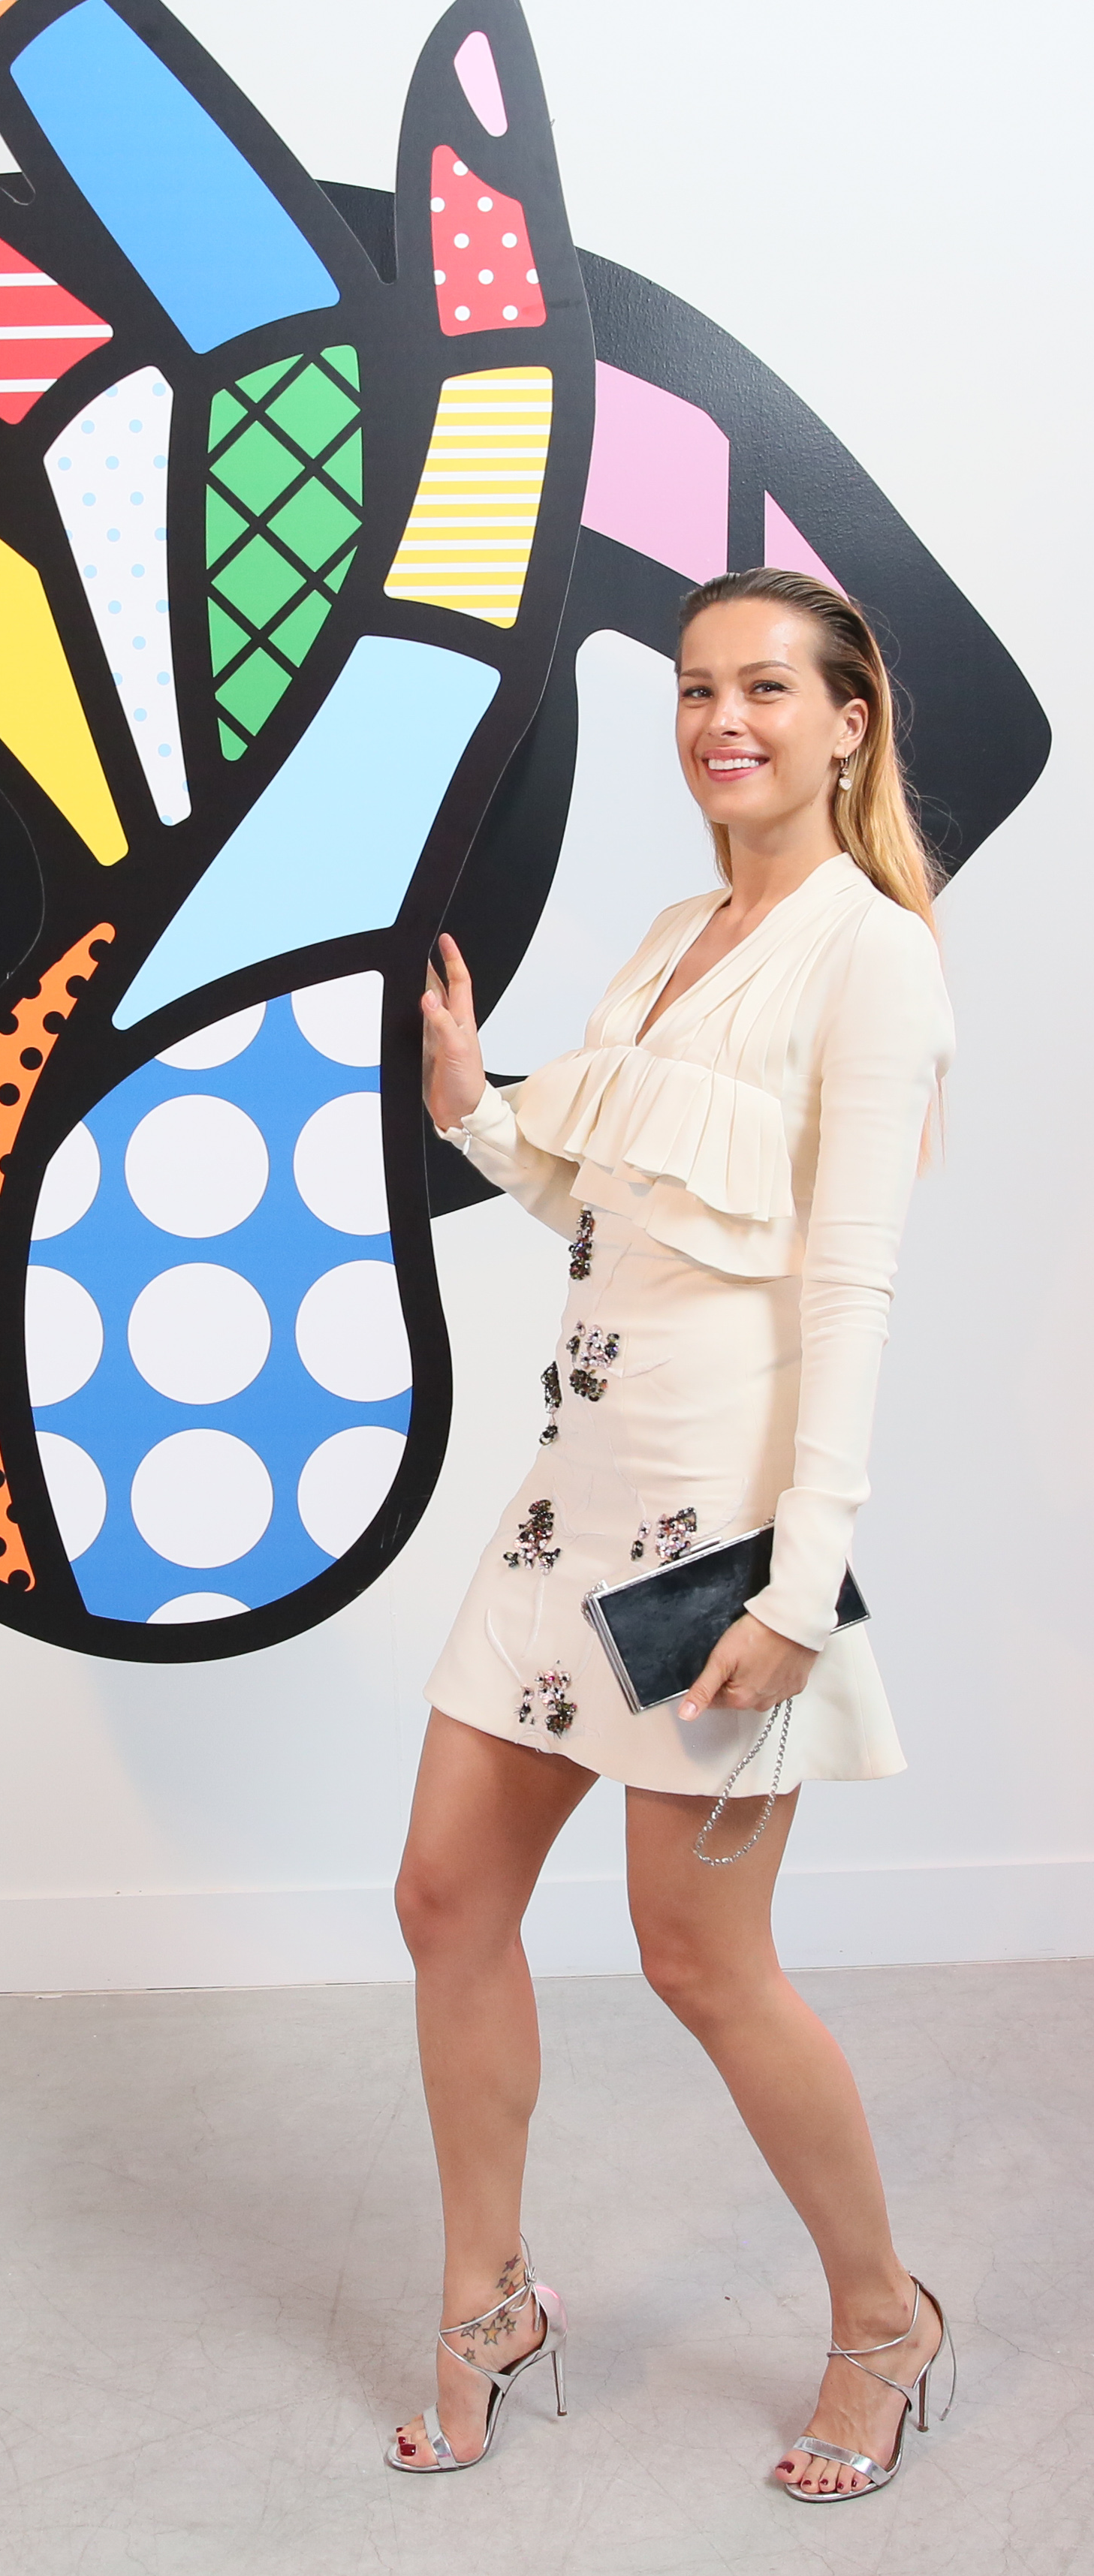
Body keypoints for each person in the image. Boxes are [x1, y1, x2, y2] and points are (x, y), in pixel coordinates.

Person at [390, 568, 956, 2501]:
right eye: (701, 689)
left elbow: (848, 1288)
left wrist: (800, 1588)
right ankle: (486, 2302)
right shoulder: (668, 937)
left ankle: (882, 2319)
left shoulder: (874, 961)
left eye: (769, 688)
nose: (726, 720)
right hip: (571, 1505)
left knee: (699, 1958)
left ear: (848, 723)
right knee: (445, 1898)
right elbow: (623, 1222)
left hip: (720, 1544)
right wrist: (478, 1112)